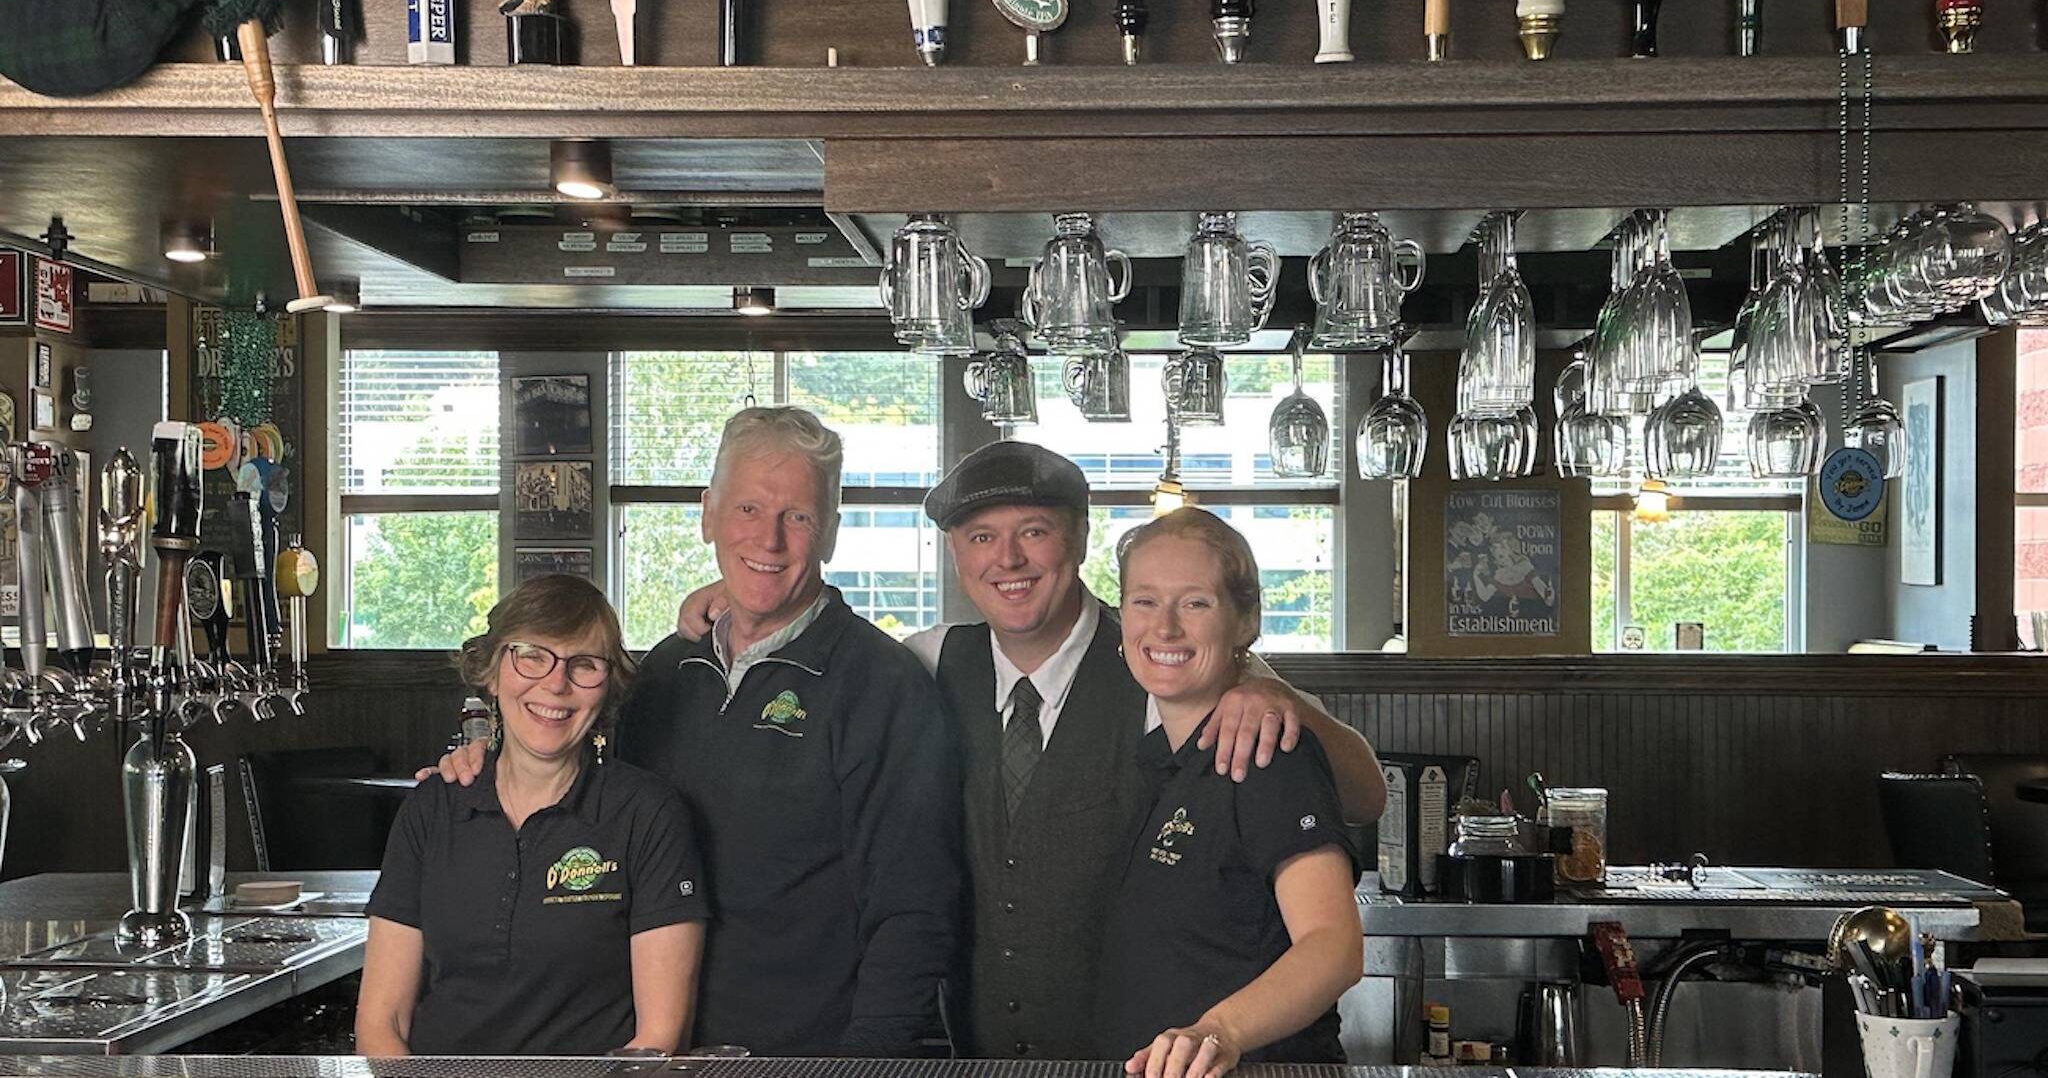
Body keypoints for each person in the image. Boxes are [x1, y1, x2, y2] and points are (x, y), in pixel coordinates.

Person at [674, 439, 1383, 1059]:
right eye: (980, 536)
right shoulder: (924, 662)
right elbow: (822, 636)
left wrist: (1272, 693)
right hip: (981, 1056)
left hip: (1138, 1055)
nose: (1007, 558)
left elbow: (1363, 795)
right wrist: (739, 596)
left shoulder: (1156, 664)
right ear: (954, 553)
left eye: (1034, 531)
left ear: (1076, 539)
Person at [434, 407, 962, 1057]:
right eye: (746, 508)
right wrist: (480, 765)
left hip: (804, 1059)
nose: (767, 539)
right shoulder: (663, 671)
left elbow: (914, 912)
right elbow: (572, 797)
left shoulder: (883, 685)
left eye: (796, 515)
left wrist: (862, 1070)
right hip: (645, 1050)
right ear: (707, 511)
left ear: (829, 530)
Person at [358, 574, 707, 1057]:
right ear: (492, 671)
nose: (556, 683)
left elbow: (658, 1040)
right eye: (532, 656)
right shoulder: (432, 808)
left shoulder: (647, 814)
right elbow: (382, 1021)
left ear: (607, 688)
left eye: (584, 664)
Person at [1095, 509, 1363, 1078]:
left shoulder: (1268, 752)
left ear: (1245, 622)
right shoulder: (1159, 759)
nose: (1164, 628)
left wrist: (1220, 1030)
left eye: (1195, 603)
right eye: (1144, 601)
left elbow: (1333, 946)